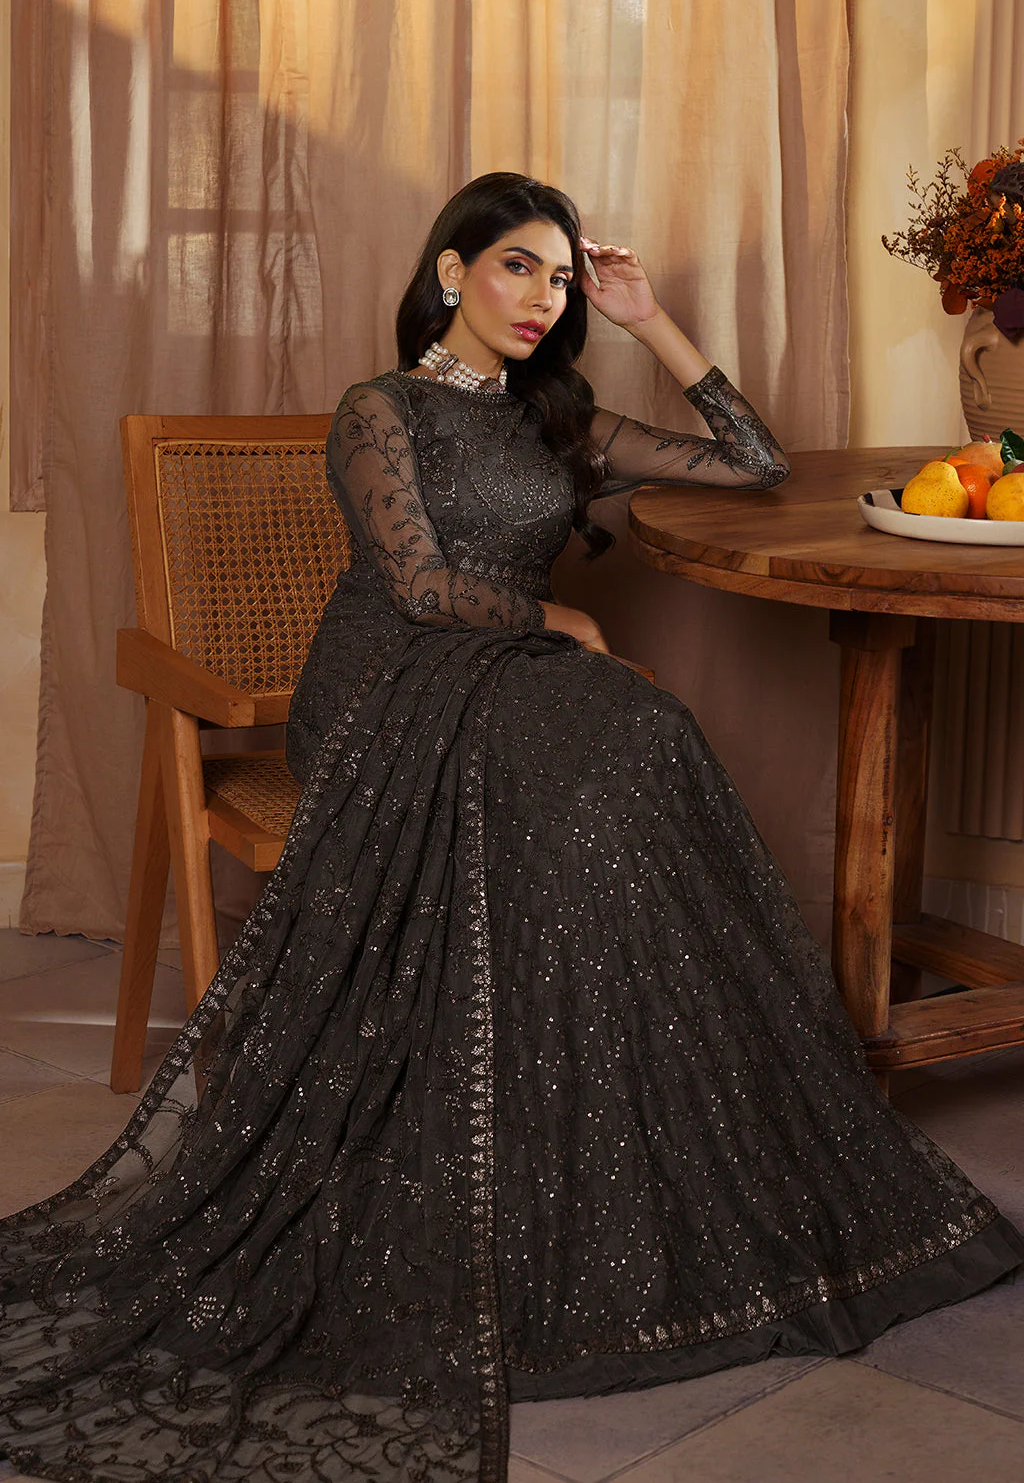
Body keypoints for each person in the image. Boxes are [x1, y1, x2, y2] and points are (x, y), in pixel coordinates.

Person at [1, 172, 1020, 1483]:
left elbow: (755, 465)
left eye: (560, 279)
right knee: (599, 760)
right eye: (517, 268)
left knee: (643, 747)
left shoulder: (562, 418)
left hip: (522, 677)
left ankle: (609, 1131)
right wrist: (561, 617)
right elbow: (421, 586)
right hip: (394, 681)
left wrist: (652, 322)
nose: (542, 299)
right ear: (452, 272)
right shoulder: (379, 410)